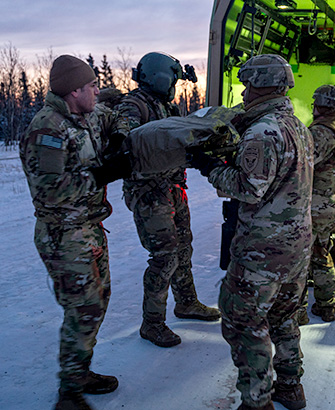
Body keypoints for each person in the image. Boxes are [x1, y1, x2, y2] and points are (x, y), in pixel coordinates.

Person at [188, 54, 314, 410]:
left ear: (262, 85)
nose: (243, 93)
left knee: (243, 320)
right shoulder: (299, 128)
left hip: (263, 251)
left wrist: (210, 167)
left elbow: (247, 187)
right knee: (283, 318)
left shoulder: (262, 131)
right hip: (296, 250)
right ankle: (290, 387)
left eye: (247, 85)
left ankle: (257, 401)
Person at [19, 54, 131, 410]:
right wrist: (103, 174)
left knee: (97, 304)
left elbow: (116, 116)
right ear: (74, 90)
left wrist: (121, 136)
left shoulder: (87, 113)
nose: (98, 92)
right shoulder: (47, 130)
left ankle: (80, 371)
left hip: (89, 228)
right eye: (93, 87)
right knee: (82, 309)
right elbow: (49, 190)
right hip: (63, 234)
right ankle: (69, 394)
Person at [116, 52, 220, 348]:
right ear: (162, 76)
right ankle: (152, 323)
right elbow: (124, 134)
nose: (175, 83)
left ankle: (186, 302)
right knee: (165, 256)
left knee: (183, 247)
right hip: (149, 193)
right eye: (173, 78)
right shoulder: (134, 104)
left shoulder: (165, 107)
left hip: (172, 187)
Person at [296, 85, 335, 324]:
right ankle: (326, 306)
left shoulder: (320, 133)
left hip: (313, 205)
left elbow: (303, 164)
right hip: (330, 203)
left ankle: (298, 312)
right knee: (321, 255)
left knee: (300, 260)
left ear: (320, 105)